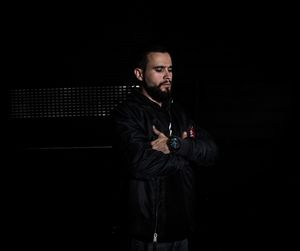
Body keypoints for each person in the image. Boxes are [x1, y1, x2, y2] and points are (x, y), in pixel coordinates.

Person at [111, 44, 218, 251]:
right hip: (147, 235)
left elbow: (211, 151)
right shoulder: (126, 114)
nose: (167, 75)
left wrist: (174, 145)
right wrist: (188, 151)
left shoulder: (179, 113)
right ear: (139, 73)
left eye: (170, 69)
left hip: (182, 231)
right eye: (159, 70)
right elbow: (140, 164)